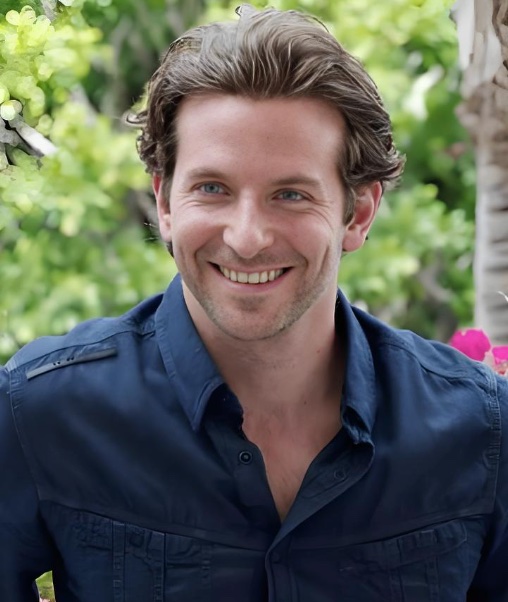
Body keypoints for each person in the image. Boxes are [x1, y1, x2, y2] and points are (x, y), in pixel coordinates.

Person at [1, 4, 507, 601]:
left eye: (290, 194)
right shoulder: (40, 413)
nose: (247, 238)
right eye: (212, 188)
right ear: (165, 202)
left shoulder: (482, 431)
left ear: (358, 214)